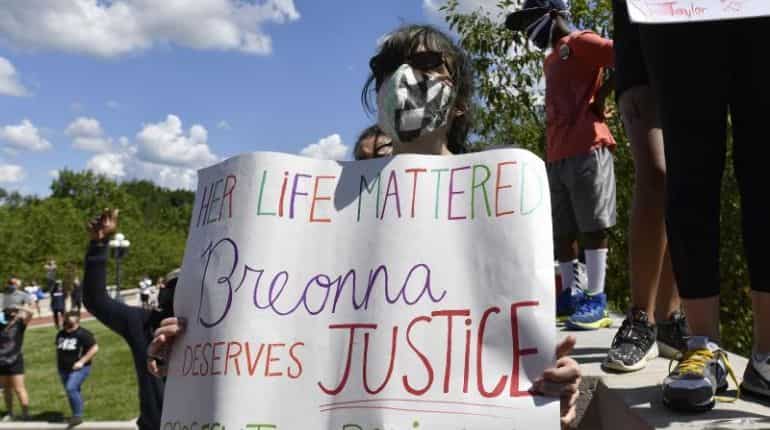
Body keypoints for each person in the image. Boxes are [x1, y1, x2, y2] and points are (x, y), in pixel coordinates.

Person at [149, 24, 582, 428]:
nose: (404, 76)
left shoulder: (502, 204)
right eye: (386, 68)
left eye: (429, 63)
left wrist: (550, 386)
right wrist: (194, 356)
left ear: (462, 102)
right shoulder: (331, 207)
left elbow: (510, 329)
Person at [633, 10, 770, 412]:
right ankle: (701, 344)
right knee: (689, 165)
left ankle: (766, 356)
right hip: (677, 16)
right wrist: (630, 61)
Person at [505, 0, 616, 331]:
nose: (528, 31)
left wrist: (602, 96)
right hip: (557, 155)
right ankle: (568, 295)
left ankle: (595, 297)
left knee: (593, 224)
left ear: (552, 14)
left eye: (530, 20)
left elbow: (625, 57)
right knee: (563, 229)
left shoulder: (581, 40)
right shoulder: (551, 57)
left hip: (588, 145)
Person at [595, 0, 689, 373]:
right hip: (641, 34)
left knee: (687, 177)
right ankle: (640, 318)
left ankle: (670, 317)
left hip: (698, 34)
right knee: (657, 171)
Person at [83, 208, 178, 430]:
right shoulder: (143, 324)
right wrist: (99, 245)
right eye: (173, 286)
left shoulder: (218, 329)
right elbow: (96, 300)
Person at [56, 311, 98, 426]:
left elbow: (94, 348)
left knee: (71, 388)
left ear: (77, 323)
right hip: (63, 368)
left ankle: (77, 416)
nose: (66, 325)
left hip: (80, 368)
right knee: (72, 391)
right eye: (65, 322)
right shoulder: (61, 333)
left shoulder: (83, 334)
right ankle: (76, 413)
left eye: (69, 324)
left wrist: (81, 361)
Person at [0, 305, 32, 421]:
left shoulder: (20, 326)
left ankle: (26, 413)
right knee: (6, 389)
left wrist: (17, 307)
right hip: (1, 362)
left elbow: (30, 313)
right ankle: (10, 413)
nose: (8, 321)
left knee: (19, 389)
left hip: (15, 361)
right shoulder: (1, 325)